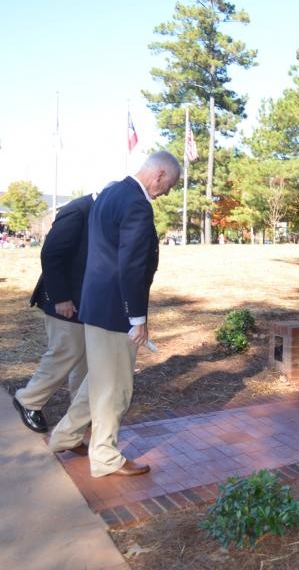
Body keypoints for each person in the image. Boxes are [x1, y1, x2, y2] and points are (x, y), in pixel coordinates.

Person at [49, 151, 180, 477]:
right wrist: (137, 318)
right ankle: (105, 457)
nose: (165, 193)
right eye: (169, 185)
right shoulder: (135, 203)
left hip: (96, 305)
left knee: (98, 382)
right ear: (160, 174)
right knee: (115, 389)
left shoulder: (109, 193)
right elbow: (131, 265)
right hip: (115, 311)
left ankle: (65, 436)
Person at [12, 194, 95, 439]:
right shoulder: (78, 210)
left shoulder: (100, 209)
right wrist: (61, 298)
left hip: (86, 301)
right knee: (65, 351)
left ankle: (80, 411)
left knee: (84, 358)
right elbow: (51, 254)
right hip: (63, 300)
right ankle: (29, 400)